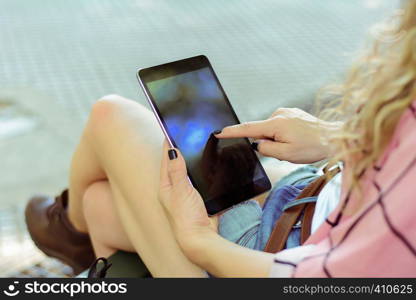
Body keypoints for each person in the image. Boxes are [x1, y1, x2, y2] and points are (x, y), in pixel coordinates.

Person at [25, 0, 416, 277]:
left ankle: (67, 232)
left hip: (276, 252)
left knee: (111, 115)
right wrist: (338, 140)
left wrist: (200, 243)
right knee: (100, 206)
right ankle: (77, 237)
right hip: (309, 202)